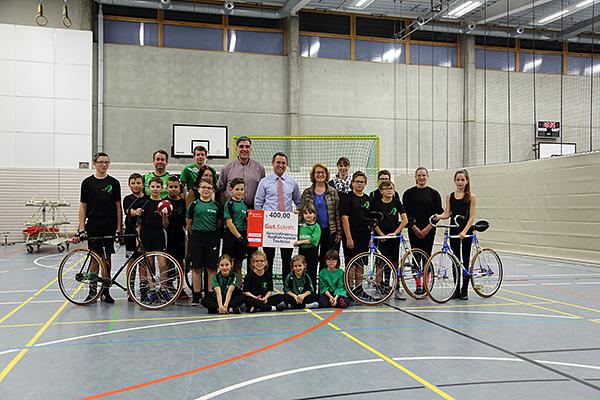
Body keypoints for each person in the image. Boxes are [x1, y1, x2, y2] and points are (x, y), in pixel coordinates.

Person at [74, 152, 122, 303]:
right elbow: (83, 206)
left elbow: (118, 207)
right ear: (94, 164)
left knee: (107, 258)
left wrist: (119, 227)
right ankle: (93, 291)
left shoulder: (114, 183)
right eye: (101, 162)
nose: (104, 165)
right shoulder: (87, 183)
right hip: (94, 224)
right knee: (95, 258)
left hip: (109, 224)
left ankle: (105, 291)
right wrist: (82, 228)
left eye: (106, 162)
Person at [254, 152, 300, 282]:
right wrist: (262, 220)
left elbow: (299, 202)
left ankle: (287, 288)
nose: (281, 165)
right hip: (270, 228)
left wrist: (297, 214)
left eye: (283, 163)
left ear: (287, 165)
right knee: (268, 259)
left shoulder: (292, 183)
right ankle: (267, 287)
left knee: (287, 259)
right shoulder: (264, 182)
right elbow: (258, 202)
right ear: (272, 163)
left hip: (286, 229)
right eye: (278, 162)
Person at [433, 169, 477, 300]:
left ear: (467, 181)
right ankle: (456, 289)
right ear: (454, 181)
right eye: (458, 180)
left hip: (466, 231)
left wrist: (464, 231)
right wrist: (439, 216)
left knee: (465, 259)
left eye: (462, 180)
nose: (460, 182)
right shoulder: (450, 197)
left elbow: (472, 217)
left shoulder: (471, 197)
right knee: (455, 260)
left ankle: (464, 290)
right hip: (454, 230)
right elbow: (447, 214)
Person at [299, 163, 342, 270]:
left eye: (322, 172)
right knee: (311, 260)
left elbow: (337, 213)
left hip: (328, 230)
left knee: (326, 259)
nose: (320, 174)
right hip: (311, 231)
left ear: (326, 174)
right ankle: (311, 280)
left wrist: (339, 232)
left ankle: (323, 281)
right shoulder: (307, 192)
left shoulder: (332, 192)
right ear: (313, 175)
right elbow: (301, 212)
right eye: (317, 172)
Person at [186, 177, 222, 305]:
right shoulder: (194, 205)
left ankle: (210, 294)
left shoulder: (216, 206)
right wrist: (196, 234)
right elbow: (189, 223)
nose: (206, 190)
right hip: (196, 238)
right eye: (204, 187)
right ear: (199, 190)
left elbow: (218, 223)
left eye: (209, 188)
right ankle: (196, 295)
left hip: (212, 238)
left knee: (211, 267)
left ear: (213, 190)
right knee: (196, 267)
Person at [371, 180, 408, 300]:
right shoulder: (377, 204)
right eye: (386, 188)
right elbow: (374, 222)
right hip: (382, 238)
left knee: (394, 263)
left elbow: (405, 220)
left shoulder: (397, 202)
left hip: (394, 238)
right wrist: (381, 235)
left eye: (391, 188)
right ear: (381, 191)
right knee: (380, 264)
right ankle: (380, 288)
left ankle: (397, 288)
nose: (389, 190)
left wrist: (395, 233)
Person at [138, 177, 171, 303]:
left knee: (162, 264)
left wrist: (164, 217)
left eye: (158, 186)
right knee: (150, 265)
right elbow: (139, 223)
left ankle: (164, 289)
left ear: (162, 188)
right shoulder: (145, 202)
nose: (155, 189)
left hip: (159, 234)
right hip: (146, 234)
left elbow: (166, 225)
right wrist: (138, 238)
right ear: (149, 188)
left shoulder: (164, 203)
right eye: (153, 187)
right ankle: (152, 290)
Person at [402, 167, 444, 258]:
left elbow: (438, 213)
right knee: (415, 256)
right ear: (415, 177)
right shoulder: (408, 194)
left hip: (429, 230)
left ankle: (427, 268)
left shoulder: (434, 194)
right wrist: (414, 228)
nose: (421, 177)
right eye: (419, 175)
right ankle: (416, 268)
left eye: (424, 175)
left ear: (427, 176)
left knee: (427, 256)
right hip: (413, 230)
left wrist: (428, 228)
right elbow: (406, 213)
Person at [218, 136, 266, 209]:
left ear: (251, 149)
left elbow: (262, 191)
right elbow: (221, 189)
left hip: (253, 209)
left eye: (247, 147)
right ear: (237, 149)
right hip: (232, 209)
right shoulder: (226, 168)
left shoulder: (260, 168)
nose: (244, 149)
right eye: (241, 146)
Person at [223, 177, 250, 285]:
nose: (239, 192)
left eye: (241, 189)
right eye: (237, 189)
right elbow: (229, 223)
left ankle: (237, 287)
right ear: (231, 190)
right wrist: (239, 237)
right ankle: (227, 287)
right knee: (229, 263)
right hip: (232, 236)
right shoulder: (229, 204)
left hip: (242, 235)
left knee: (238, 264)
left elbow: (247, 220)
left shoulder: (245, 204)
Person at [165, 176, 188, 300]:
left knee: (180, 262)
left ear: (179, 188)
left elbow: (186, 222)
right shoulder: (163, 202)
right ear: (166, 188)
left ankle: (180, 287)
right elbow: (164, 224)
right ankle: (168, 286)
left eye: (175, 187)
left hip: (179, 236)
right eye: (170, 187)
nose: (173, 189)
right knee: (168, 262)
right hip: (167, 236)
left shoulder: (183, 203)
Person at [340, 171, 371, 264]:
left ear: (365, 184)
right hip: (351, 235)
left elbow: (371, 219)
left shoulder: (368, 199)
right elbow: (344, 219)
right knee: (351, 264)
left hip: (364, 236)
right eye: (357, 181)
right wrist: (349, 238)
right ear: (352, 183)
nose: (359, 184)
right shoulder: (347, 198)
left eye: (362, 182)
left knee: (360, 264)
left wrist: (370, 238)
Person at [294, 205, 321, 291]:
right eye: (305, 213)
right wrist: (294, 216)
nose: (308, 215)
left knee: (312, 272)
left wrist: (300, 242)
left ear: (314, 214)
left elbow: (314, 240)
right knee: (301, 272)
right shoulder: (301, 225)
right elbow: (291, 228)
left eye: (310, 213)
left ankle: (312, 291)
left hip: (312, 252)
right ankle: (301, 290)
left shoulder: (316, 226)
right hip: (302, 251)